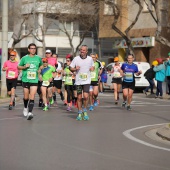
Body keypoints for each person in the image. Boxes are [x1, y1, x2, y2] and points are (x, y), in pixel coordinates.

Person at [18, 43, 43, 120]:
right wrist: (25, 66)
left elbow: (41, 65)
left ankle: (30, 112)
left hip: (34, 80)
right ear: (28, 49)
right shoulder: (24, 58)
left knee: (32, 95)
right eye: (31, 48)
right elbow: (18, 66)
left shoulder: (38, 58)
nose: (33, 50)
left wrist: (40, 69)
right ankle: (25, 107)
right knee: (26, 96)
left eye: (34, 48)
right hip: (25, 79)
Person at [69, 45, 94, 120]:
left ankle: (85, 110)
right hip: (78, 81)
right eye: (81, 50)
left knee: (86, 96)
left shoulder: (90, 59)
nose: (82, 51)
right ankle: (80, 112)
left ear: (86, 51)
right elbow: (70, 68)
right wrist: (74, 69)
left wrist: (93, 68)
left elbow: (93, 66)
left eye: (84, 50)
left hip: (87, 81)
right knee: (79, 98)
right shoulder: (76, 59)